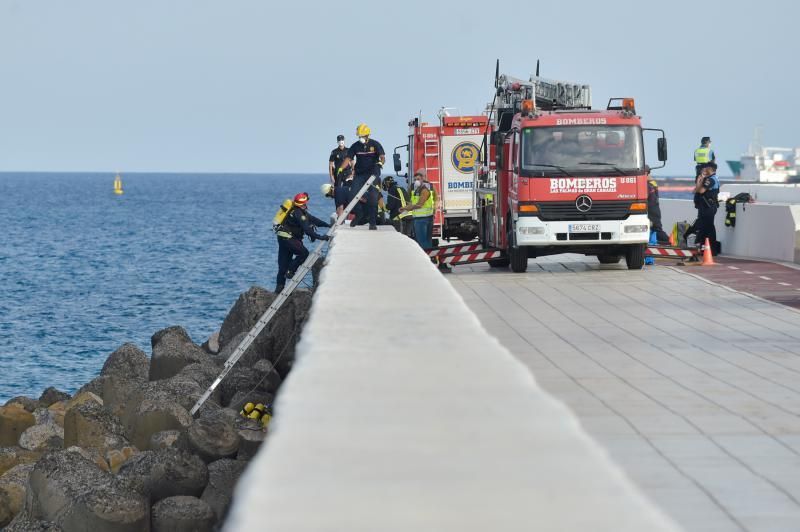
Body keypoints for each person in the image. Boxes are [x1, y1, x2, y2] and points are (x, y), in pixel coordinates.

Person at [274, 192, 330, 292]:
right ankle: (291, 271)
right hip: (290, 239)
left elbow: (314, 220)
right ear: (303, 204)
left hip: (282, 238)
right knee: (304, 253)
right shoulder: (299, 214)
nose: (306, 205)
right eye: (305, 203)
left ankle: (279, 288)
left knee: (282, 265)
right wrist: (320, 237)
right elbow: (307, 229)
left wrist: (327, 225)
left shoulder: (294, 211)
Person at [337, 123, 385, 230]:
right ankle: (359, 214)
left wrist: (381, 163)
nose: (360, 138)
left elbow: (382, 157)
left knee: (373, 198)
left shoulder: (375, 144)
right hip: (360, 174)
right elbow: (348, 158)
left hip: (373, 174)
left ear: (367, 135)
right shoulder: (355, 146)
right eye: (359, 136)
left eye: (362, 136)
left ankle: (372, 223)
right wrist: (341, 168)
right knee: (352, 196)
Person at [400, 170, 434, 249]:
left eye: (418, 179)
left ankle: (426, 258)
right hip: (423, 218)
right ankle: (429, 257)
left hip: (422, 219)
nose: (416, 181)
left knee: (422, 242)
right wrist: (405, 210)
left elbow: (419, 205)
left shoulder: (424, 190)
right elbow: (412, 203)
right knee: (426, 241)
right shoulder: (416, 190)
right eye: (415, 180)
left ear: (422, 180)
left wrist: (405, 208)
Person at [693, 162, 720, 255]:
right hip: (706, 206)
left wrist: (700, 181)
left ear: (711, 169)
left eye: (706, 168)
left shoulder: (711, 180)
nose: (704, 169)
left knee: (709, 228)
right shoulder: (710, 179)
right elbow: (695, 190)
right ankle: (705, 249)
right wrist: (700, 181)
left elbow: (700, 190)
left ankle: (712, 250)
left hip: (708, 207)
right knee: (704, 228)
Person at [645, 166, 670, 244]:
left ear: (646, 173)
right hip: (654, 208)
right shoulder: (651, 182)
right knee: (654, 229)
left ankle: (668, 241)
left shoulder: (648, 184)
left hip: (652, 210)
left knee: (657, 229)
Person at [329, 134, 351, 218]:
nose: (341, 141)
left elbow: (352, 162)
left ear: (344, 140)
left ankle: (348, 212)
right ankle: (339, 212)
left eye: (342, 140)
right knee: (337, 192)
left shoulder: (349, 150)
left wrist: (353, 173)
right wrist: (331, 176)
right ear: (337, 141)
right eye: (339, 140)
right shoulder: (334, 152)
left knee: (348, 191)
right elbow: (331, 164)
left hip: (347, 173)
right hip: (338, 174)